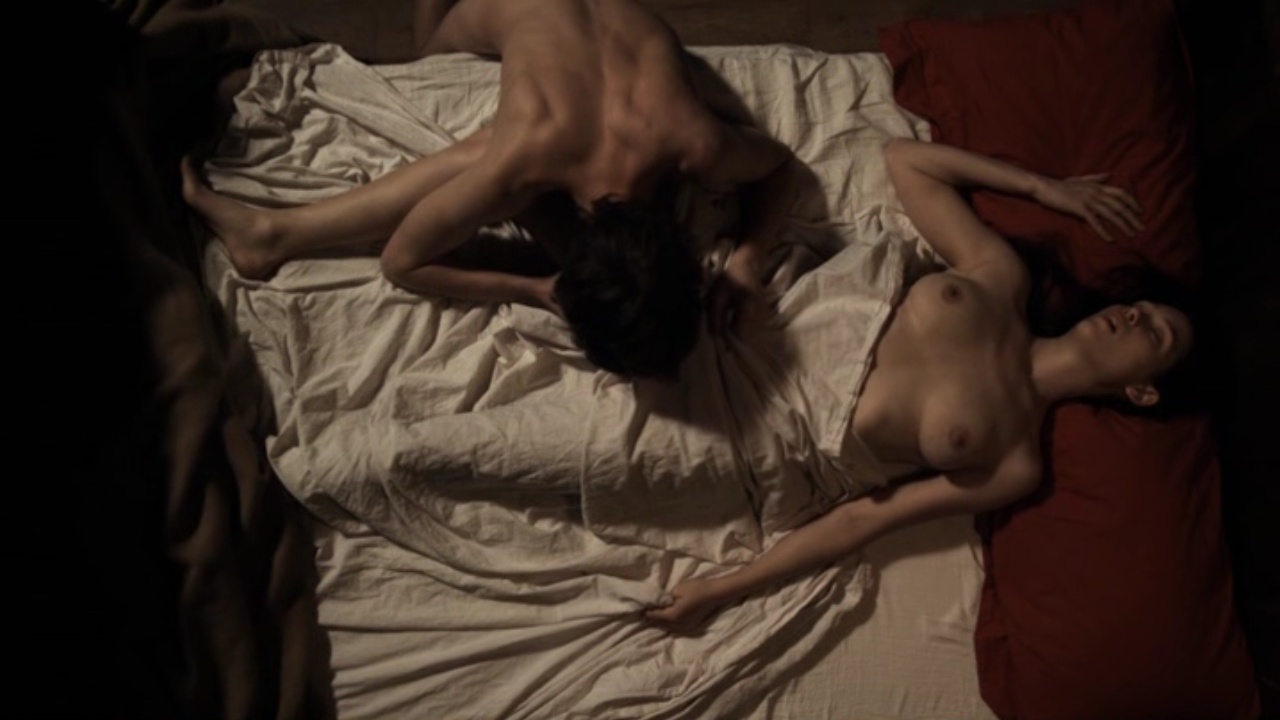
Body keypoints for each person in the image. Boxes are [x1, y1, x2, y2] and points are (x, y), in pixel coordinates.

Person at [644, 137, 1196, 631]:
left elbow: (863, 519)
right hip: (757, 321)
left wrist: (721, 591)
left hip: (765, 430)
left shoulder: (1015, 461)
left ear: (1141, 390)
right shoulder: (1005, 280)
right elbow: (908, 161)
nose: (1133, 315)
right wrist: (1043, 188)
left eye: (1155, 334)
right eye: (1141, 306)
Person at [180, 0, 796, 379]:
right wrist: (534, 289)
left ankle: (276, 234)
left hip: (585, 26)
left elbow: (781, 166)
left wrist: (746, 261)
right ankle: (273, 235)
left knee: (488, 150)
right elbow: (402, 261)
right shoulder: (529, 154)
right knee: (429, 63)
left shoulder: (696, 143)